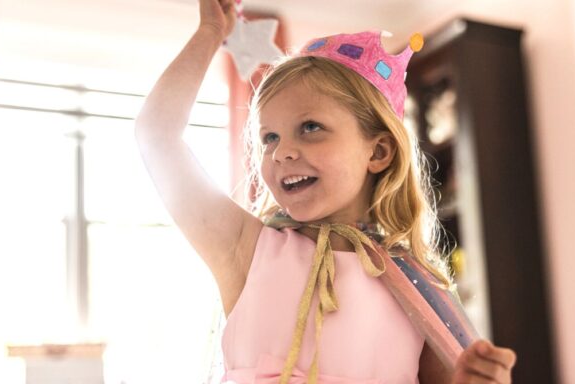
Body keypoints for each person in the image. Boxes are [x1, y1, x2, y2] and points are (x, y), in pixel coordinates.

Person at [134, 0, 517, 382]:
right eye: (269, 137)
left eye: (311, 127)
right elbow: (157, 137)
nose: (281, 151)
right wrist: (209, 34)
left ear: (378, 151)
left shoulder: (419, 284)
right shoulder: (246, 248)